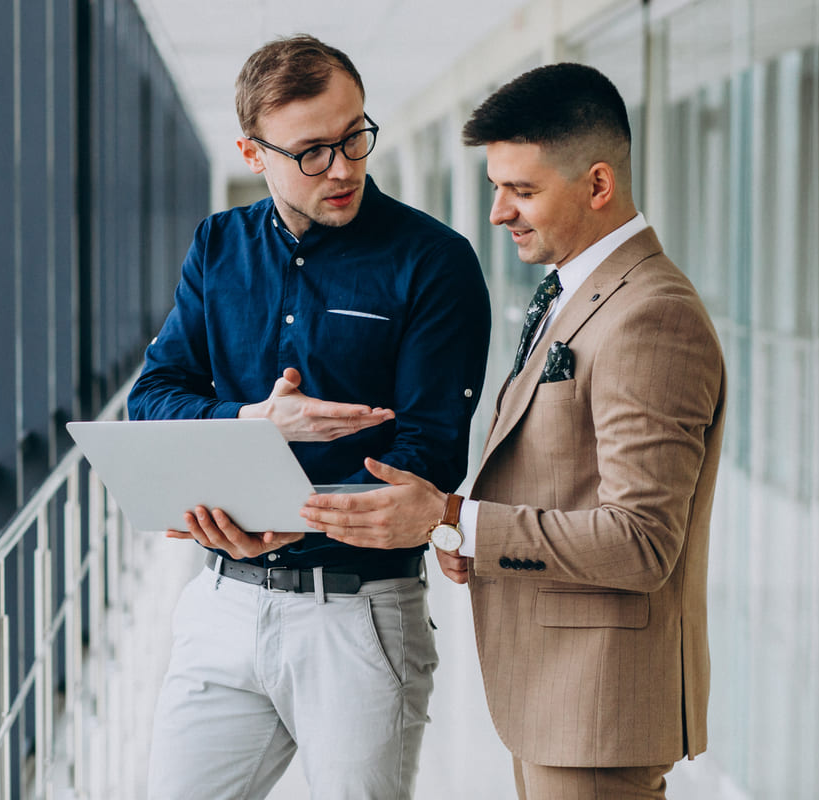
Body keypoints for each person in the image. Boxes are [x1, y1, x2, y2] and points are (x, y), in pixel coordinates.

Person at [302, 62, 726, 800]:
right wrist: (476, 538)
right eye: (497, 187)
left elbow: (642, 540)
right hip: (560, 701)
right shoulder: (579, 290)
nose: (498, 212)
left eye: (521, 190)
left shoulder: (650, 316)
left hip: (597, 710)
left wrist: (453, 518)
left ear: (598, 186)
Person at [125, 34, 491, 800]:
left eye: (356, 136)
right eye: (312, 152)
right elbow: (154, 397)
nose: (344, 168)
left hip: (357, 618)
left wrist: (300, 520)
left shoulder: (434, 261)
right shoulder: (217, 246)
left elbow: (429, 456)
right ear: (252, 153)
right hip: (221, 604)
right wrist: (254, 421)